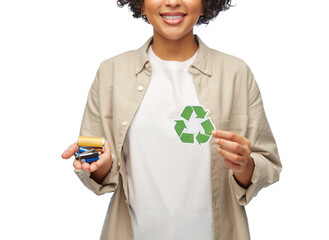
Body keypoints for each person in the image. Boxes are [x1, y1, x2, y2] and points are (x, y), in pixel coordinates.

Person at [61, 0, 282, 239]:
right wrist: (99, 165)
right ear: (141, 4)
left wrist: (245, 166)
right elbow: (91, 158)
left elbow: (267, 162)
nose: (173, 1)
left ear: (205, 3)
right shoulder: (111, 72)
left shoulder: (235, 73)